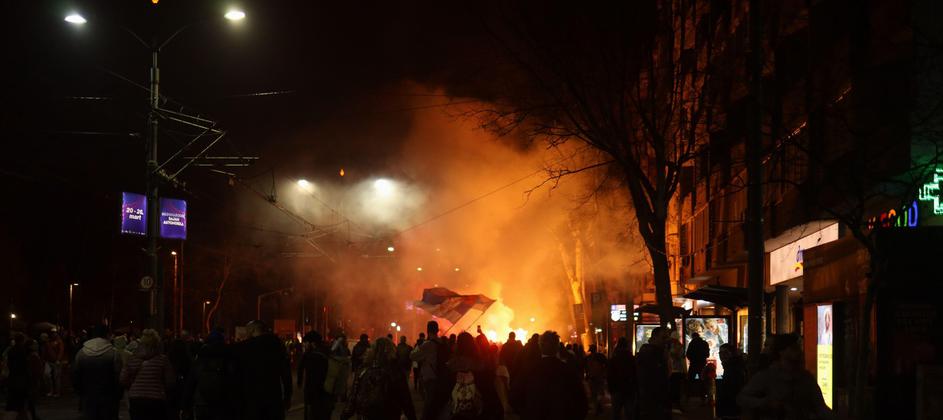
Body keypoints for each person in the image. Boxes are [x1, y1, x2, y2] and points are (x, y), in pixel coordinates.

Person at [738, 334, 833, 420]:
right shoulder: (768, 376)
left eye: (799, 348)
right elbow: (742, 398)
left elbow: (820, 407)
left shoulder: (806, 378)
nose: (799, 352)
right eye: (793, 348)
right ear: (781, 352)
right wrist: (765, 403)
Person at [513, 331, 587, 420]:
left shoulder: (529, 370)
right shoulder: (567, 370)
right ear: (557, 347)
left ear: (540, 346)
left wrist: (525, 413)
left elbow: (515, 396)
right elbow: (581, 400)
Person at [343, 337, 417, 420]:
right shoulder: (395, 372)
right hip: (389, 415)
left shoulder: (363, 370)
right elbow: (406, 400)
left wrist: (345, 414)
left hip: (366, 416)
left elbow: (353, 396)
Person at [232, 320, 293, 420]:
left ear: (253, 330)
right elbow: (286, 374)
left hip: (251, 401)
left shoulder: (243, 347)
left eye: (247, 330)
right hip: (273, 399)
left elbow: (236, 375)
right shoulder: (277, 345)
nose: (246, 333)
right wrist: (287, 396)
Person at [446, 332, 503, 420]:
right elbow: (490, 392)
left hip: (456, 414)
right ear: (473, 346)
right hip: (478, 413)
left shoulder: (450, 366)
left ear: (458, 345)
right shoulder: (481, 366)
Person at [121, 329, 175, 420]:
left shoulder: (133, 359)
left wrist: (133, 385)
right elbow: (170, 381)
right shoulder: (163, 360)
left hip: (136, 398)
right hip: (156, 399)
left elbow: (123, 379)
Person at [182, 328, 234, 420]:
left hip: (201, 402)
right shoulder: (228, 358)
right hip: (222, 402)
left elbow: (191, 383)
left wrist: (185, 406)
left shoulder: (200, 359)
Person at [73, 325, 123, 420]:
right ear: (107, 335)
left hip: (88, 396)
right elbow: (118, 376)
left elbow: (76, 374)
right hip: (109, 397)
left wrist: (80, 392)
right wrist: (119, 394)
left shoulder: (82, 352)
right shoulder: (113, 353)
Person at [410, 321, 451, 420]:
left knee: (429, 403)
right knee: (438, 402)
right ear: (437, 330)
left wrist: (419, 345)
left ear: (427, 330)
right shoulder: (443, 343)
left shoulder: (427, 344)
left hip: (430, 377)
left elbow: (412, 356)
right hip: (441, 376)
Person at [636, 326, 670, 420]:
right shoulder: (651, 353)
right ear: (655, 337)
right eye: (663, 338)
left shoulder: (658, 352)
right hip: (652, 399)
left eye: (667, 338)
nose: (666, 341)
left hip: (655, 398)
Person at [297, 331, 332, 420]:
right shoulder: (327, 353)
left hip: (314, 398)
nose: (304, 345)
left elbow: (312, 381)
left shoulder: (312, 357)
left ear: (312, 343)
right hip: (328, 397)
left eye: (306, 343)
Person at [607, 337, 636, 420]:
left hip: (616, 388)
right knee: (629, 413)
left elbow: (610, 374)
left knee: (616, 413)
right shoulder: (631, 358)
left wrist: (611, 389)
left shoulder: (614, 358)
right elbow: (634, 373)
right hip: (629, 389)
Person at [4, 333, 31, 420]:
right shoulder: (22, 350)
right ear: (22, 340)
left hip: (13, 377)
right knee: (21, 401)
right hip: (21, 378)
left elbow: (9, 363)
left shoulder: (11, 350)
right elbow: (24, 365)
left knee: (15, 401)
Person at [716, 343, 745, 419]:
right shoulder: (730, 366)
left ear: (732, 354)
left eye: (725, 352)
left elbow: (732, 390)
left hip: (730, 409)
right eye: (720, 353)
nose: (722, 355)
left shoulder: (733, 368)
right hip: (731, 408)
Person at [686, 332, 709, 402]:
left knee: (690, 381)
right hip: (702, 364)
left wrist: (692, 359)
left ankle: (688, 397)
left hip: (693, 364)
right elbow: (707, 354)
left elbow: (688, 354)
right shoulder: (704, 343)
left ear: (693, 337)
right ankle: (703, 398)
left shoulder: (692, 343)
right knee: (702, 381)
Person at [584, 344, 607, 416]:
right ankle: (599, 406)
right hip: (599, 377)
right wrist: (604, 372)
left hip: (592, 377)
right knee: (600, 392)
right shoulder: (601, 356)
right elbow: (606, 364)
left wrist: (587, 375)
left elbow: (585, 368)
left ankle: (597, 407)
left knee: (594, 394)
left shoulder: (587, 358)